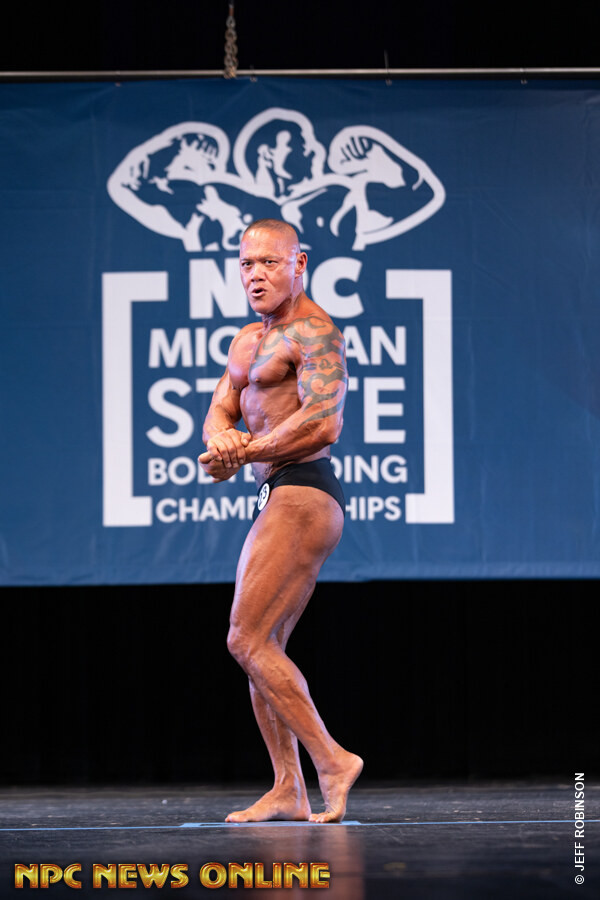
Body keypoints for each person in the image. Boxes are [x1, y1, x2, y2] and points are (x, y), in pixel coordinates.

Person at [198, 218, 363, 823]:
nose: (256, 275)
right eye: (247, 264)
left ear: (300, 263)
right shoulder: (247, 341)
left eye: (270, 262)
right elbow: (221, 408)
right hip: (275, 490)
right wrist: (221, 442)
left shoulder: (315, 332)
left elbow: (323, 421)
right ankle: (288, 788)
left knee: (244, 638)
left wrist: (245, 452)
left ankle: (333, 760)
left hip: (305, 491)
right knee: (263, 646)